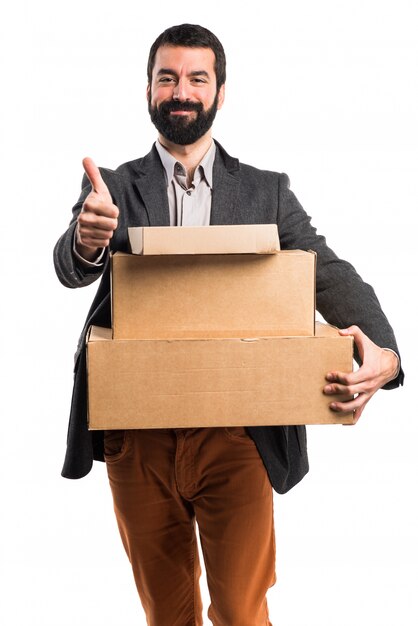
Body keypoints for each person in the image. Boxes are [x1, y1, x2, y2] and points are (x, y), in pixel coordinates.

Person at [54, 23, 403, 626]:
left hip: (239, 432)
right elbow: (70, 263)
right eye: (168, 78)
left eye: (197, 78)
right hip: (139, 433)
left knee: (243, 611)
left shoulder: (266, 191)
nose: (181, 91)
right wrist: (87, 241)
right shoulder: (110, 188)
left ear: (220, 91)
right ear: (148, 90)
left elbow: (323, 269)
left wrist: (388, 354)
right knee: (168, 614)